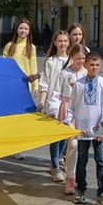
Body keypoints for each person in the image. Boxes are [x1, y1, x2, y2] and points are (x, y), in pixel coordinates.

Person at [66, 52, 103, 205]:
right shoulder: (78, 84)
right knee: (82, 161)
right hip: (83, 130)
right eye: (91, 65)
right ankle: (81, 190)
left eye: (97, 65)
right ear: (85, 65)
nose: (94, 68)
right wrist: (71, 123)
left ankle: (102, 193)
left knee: (101, 162)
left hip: (98, 130)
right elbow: (72, 107)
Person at [38, 30, 71, 182]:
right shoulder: (51, 61)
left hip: (68, 102)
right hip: (53, 101)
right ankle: (55, 165)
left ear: (68, 43)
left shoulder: (72, 61)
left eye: (65, 41)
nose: (62, 43)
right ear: (55, 43)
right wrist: (42, 101)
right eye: (60, 41)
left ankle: (61, 158)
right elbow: (44, 83)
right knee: (54, 135)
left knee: (64, 133)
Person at [56, 44, 87, 194]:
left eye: (83, 58)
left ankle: (78, 177)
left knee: (81, 147)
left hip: (84, 111)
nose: (80, 61)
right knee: (73, 144)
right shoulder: (65, 73)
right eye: (77, 58)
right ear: (72, 57)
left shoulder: (87, 73)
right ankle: (70, 177)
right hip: (68, 109)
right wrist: (55, 110)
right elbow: (57, 93)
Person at [3, 18, 40, 95]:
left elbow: (33, 67)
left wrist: (35, 86)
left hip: (25, 83)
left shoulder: (31, 47)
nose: (23, 31)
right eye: (21, 28)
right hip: (11, 82)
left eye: (26, 29)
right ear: (16, 30)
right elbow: (3, 65)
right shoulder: (9, 46)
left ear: (29, 31)